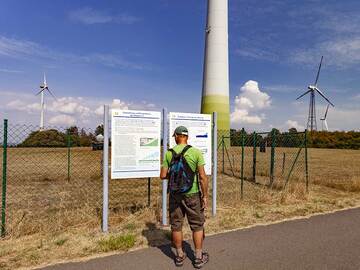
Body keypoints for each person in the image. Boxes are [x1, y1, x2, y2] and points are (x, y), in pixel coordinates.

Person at [160, 126, 209, 268]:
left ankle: (180, 256)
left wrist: (175, 175)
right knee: (197, 226)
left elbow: (163, 175)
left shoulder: (169, 154)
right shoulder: (196, 152)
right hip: (192, 194)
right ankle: (198, 258)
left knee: (176, 225)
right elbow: (202, 177)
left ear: (176, 136)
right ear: (187, 137)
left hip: (175, 194)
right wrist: (205, 196)